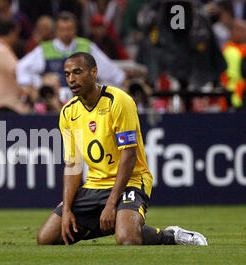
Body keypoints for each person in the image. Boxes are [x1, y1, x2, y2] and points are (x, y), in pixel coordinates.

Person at [37, 52, 207, 246]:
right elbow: (73, 165)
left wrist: (111, 204)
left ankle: (170, 235)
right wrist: (67, 209)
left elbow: (129, 155)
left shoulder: (118, 101)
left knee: (127, 239)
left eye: (78, 72)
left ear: (94, 73)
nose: (72, 79)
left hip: (131, 181)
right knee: (47, 238)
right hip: (94, 186)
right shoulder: (68, 112)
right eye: (67, 74)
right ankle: (118, 223)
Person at [16, 11, 125, 92]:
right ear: (56, 31)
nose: (66, 33)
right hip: (55, 101)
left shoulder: (87, 47)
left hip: (83, 99)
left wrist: (122, 79)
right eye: (62, 29)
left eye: (69, 29)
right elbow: (21, 68)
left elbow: (107, 69)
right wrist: (39, 82)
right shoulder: (44, 49)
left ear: (75, 30)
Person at [0, 20, 30, 114]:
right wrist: (28, 90)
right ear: (12, 33)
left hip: (1, 104)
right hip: (5, 105)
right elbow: (18, 72)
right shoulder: (1, 51)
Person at [221, 19, 246, 111]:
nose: (243, 33)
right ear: (232, 31)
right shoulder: (228, 50)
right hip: (231, 96)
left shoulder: (243, 49)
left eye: (244, 29)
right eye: (240, 29)